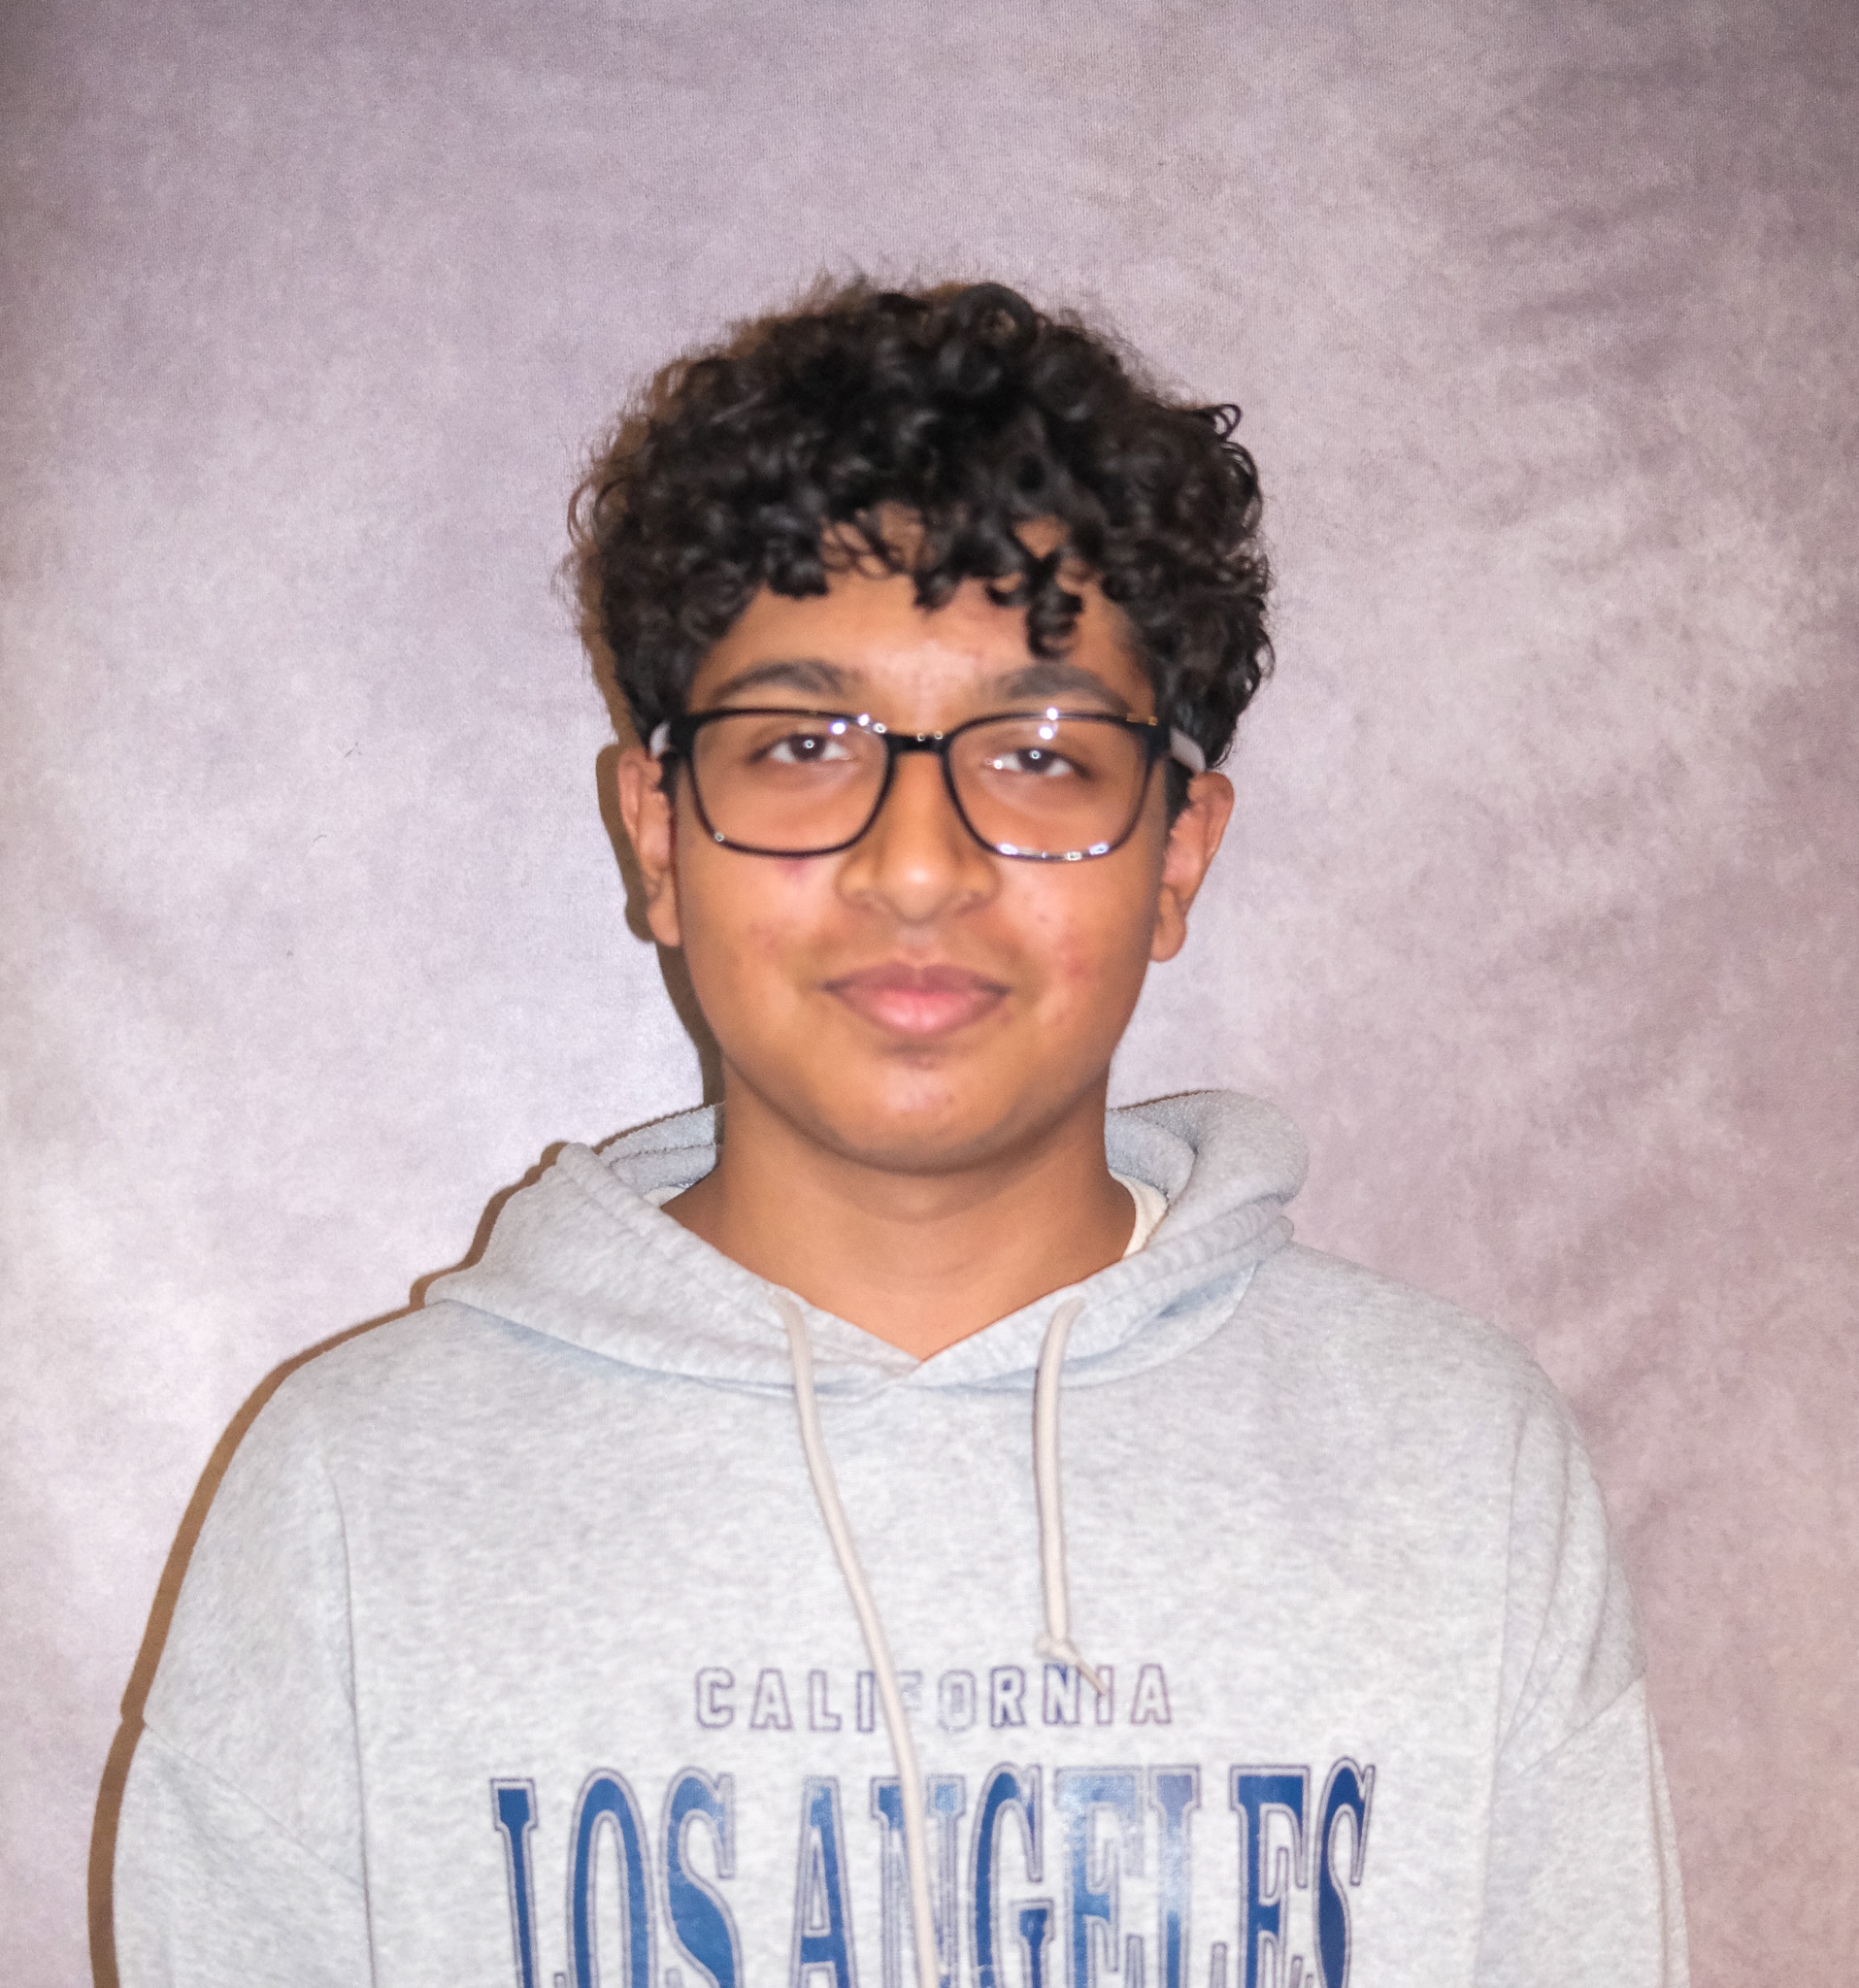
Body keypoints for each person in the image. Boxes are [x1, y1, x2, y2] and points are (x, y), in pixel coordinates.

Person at [112, 281, 1687, 1987]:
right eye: (801, 744)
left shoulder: (1457, 1472)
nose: (917, 864)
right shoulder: (358, 1498)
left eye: (1037, 754)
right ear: (659, 836)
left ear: (1177, 851)